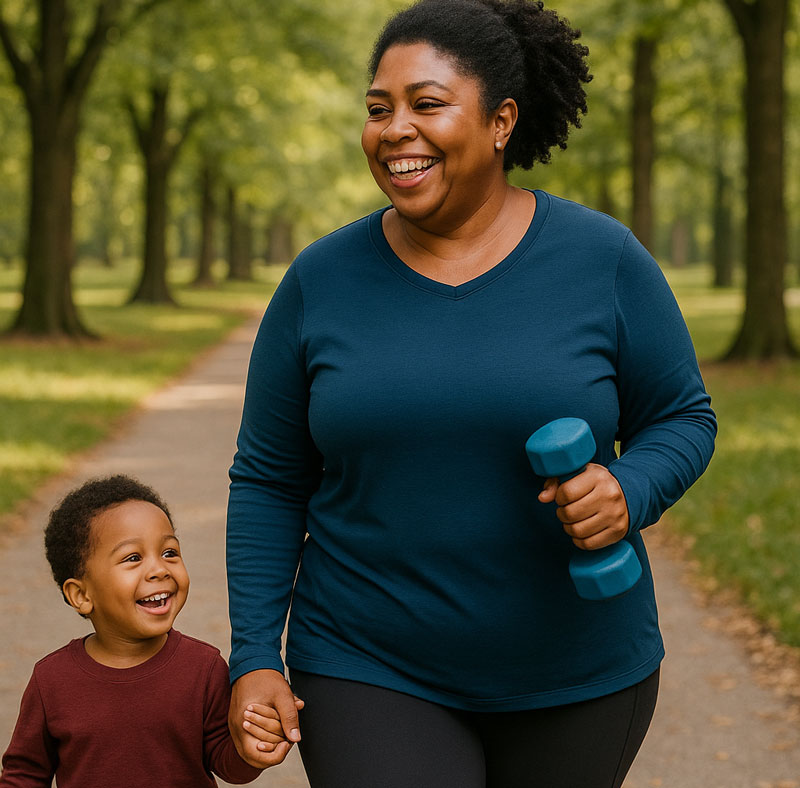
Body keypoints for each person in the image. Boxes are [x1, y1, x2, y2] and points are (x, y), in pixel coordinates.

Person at [225, 0, 717, 785]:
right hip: (366, 662)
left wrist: (632, 487)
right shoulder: (320, 281)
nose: (394, 129)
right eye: (378, 109)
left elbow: (682, 416)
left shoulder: (604, 260)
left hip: (577, 670)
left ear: (500, 122)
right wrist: (253, 655)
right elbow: (268, 479)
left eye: (426, 104)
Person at [0, 474, 291, 787]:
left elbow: (227, 762)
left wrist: (253, 748)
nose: (159, 569)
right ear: (82, 595)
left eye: (169, 552)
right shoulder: (52, 681)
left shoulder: (203, 668)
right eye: (133, 557)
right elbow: (24, 774)